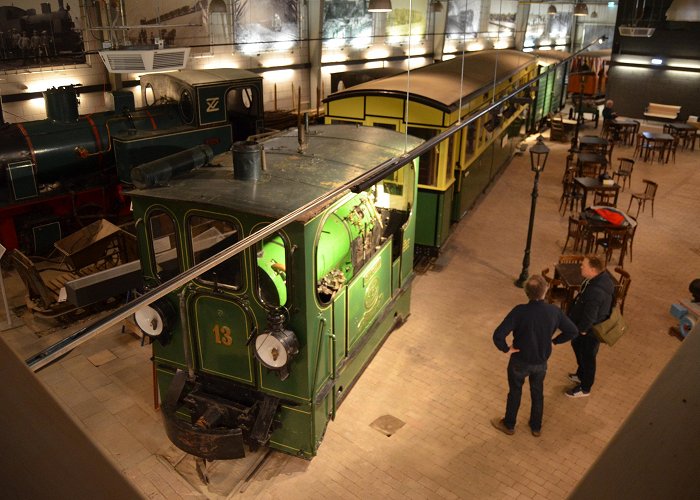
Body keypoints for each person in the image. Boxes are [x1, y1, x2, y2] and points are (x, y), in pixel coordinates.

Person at [491, 275, 578, 437]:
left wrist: (506, 349)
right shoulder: (554, 311)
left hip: (519, 361)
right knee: (537, 392)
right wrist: (555, 342)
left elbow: (498, 335)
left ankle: (509, 424)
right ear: (545, 290)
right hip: (540, 362)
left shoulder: (519, 311)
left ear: (526, 292)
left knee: (515, 392)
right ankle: (536, 426)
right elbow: (572, 331)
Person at [566, 254, 615, 398]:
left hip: (590, 331)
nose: (581, 266)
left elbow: (590, 315)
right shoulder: (602, 278)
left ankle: (585, 387)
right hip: (586, 328)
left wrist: (582, 330)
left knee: (588, 357)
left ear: (593, 270)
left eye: (584, 265)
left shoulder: (596, 291)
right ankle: (581, 375)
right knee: (577, 346)